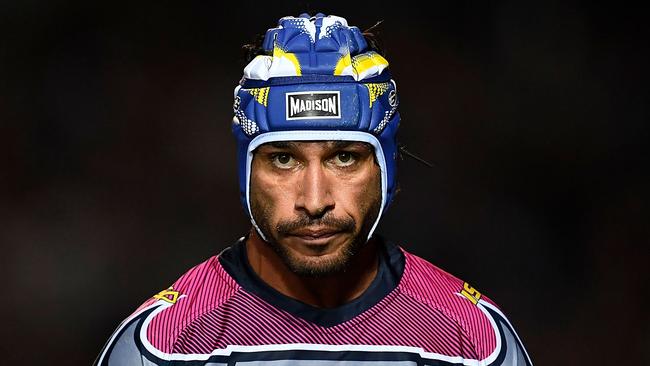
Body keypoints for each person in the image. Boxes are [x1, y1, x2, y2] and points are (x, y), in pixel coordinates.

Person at [95, 13, 533, 365]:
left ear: (386, 168)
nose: (315, 200)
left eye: (344, 157)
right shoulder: (163, 348)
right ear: (246, 170)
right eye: (283, 159)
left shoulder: (473, 343)